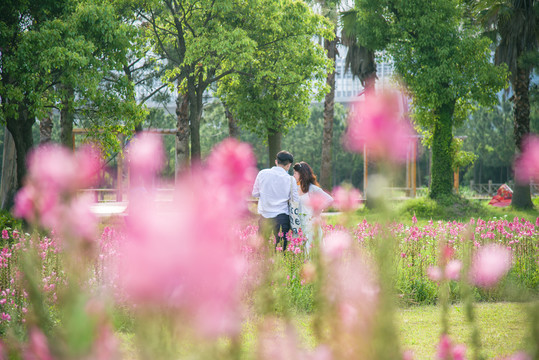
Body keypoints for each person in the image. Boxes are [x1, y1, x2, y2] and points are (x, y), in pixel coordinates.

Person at [252, 151, 299, 249]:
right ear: (289, 165)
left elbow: (255, 193)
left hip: (264, 217)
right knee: (282, 250)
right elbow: (294, 200)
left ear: (276, 161)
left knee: (262, 250)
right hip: (282, 218)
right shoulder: (290, 179)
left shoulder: (262, 174)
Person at [292, 161, 333, 252]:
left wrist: (318, 210)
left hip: (311, 223)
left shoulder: (313, 188)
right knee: (299, 250)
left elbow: (330, 200)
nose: (293, 175)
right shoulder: (295, 188)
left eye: (295, 173)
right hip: (298, 224)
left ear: (302, 174)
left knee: (310, 249)